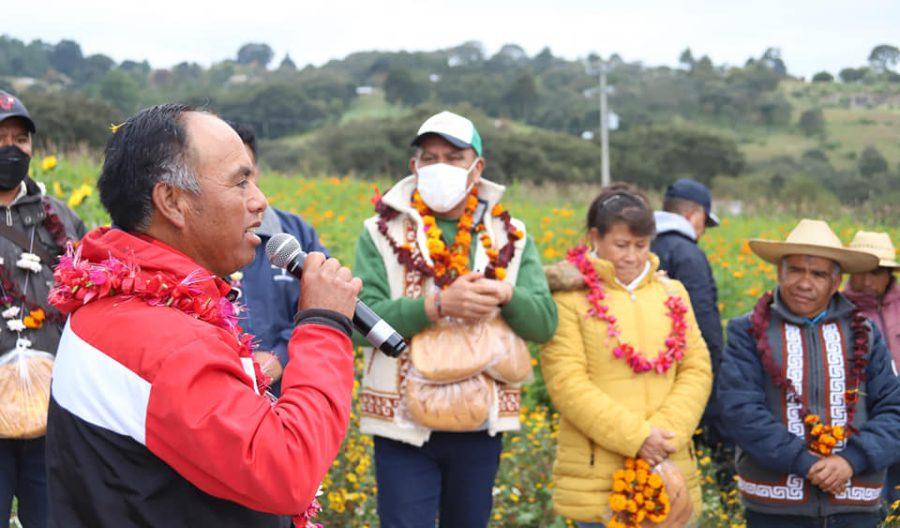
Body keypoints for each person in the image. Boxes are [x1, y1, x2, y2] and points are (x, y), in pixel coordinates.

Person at [44, 103, 360, 527]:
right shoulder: (167, 343)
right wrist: (323, 324)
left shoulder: (115, 303)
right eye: (240, 182)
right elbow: (286, 472)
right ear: (173, 202)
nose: (260, 201)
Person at [353, 110, 557, 527]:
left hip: (480, 421)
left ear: (477, 167)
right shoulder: (378, 231)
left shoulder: (510, 235)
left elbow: (544, 324)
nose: (439, 166)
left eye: (453, 156)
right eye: (429, 158)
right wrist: (435, 307)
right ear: (414, 166)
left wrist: (506, 295)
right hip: (401, 425)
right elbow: (362, 323)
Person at [541, 183, 712, 527]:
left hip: (669, 467)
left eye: (641, 245)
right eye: (620, 245)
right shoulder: (570, 300)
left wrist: (664, 434)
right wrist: (636, 438)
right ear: (595, 238)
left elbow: (697, 369)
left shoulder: (672, 293)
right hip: (599, 479)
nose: (631, 256)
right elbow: (567, 383)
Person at [718, 219, 900, 528]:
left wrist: (850, 461)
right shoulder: (747, 330)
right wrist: (803, 462)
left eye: (818, 274)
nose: (805, 283)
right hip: (774, 509)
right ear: (779, 273)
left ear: (835, 282)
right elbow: (740, 410)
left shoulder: (865, 333)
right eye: (796, 270)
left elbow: (894, 409)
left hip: (856, 507)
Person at [0, 90, 85, 528]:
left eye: (20, 140)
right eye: (0, 138)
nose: (11, 150)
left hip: (52, 413)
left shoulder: (62, 218)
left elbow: (87, 297)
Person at [226, 121, 329, 395]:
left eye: (245, 174)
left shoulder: (295, 233)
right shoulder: (192, 239)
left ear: (256, 172)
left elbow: (324, 304)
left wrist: (279, 356)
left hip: (289, 393)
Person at [651, 179, 725, 444]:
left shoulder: (638, 245)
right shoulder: (688, 253)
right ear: (695, 216)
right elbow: (703, 317)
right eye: (704, 224)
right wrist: (717, 368)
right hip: (686, 367)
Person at [842, 230, 900, 504]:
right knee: (880, 497)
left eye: (875, 272)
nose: (866, 281)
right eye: (860, 271)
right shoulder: (841, 310)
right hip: (870, 423)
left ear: (889, 273)